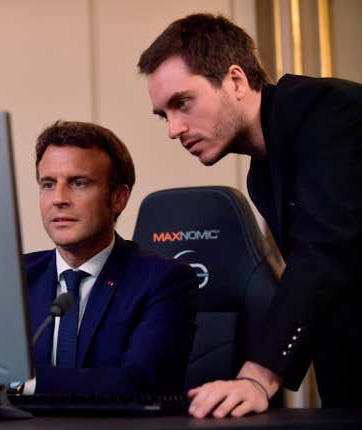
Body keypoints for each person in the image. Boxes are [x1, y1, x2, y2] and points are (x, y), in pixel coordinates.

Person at [137, 13, 362, 417]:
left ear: (236, 81)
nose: (173, 129)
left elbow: (326, 253)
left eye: (182, 103)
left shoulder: (333, 114)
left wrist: (259, 376)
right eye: (164, 115)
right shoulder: (263, 172)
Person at [22, 120, 198, 396]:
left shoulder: (164, 281)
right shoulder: (14, 278)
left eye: (78, 183)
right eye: (47, 184)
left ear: (118, 198)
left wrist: (20, 382)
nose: (58, 198)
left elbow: (140, 384)